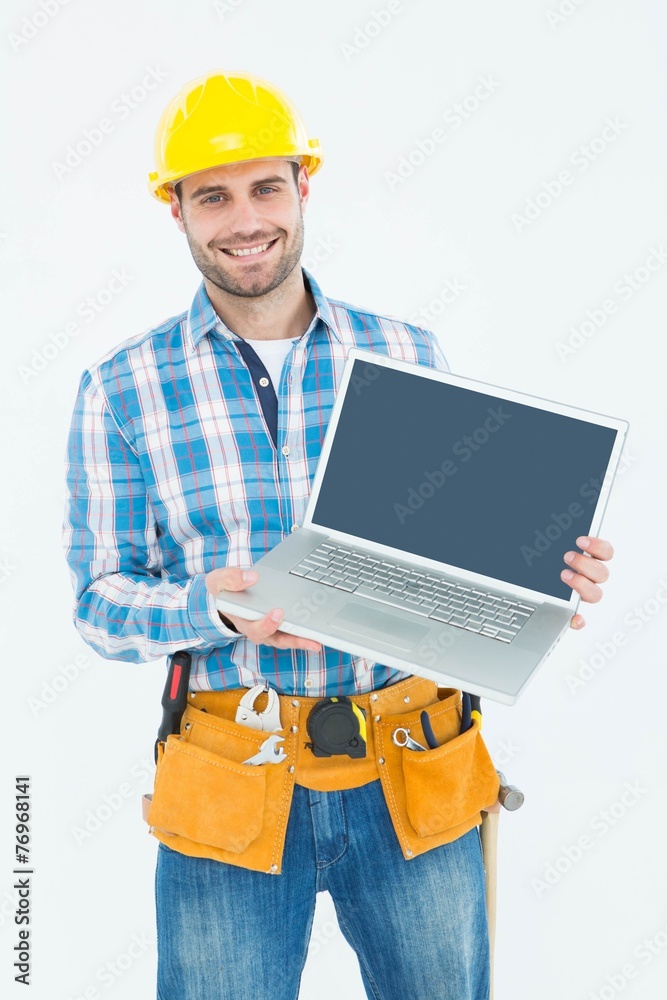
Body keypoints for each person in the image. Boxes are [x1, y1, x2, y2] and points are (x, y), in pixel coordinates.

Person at [63, 71, 614, 1000]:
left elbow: (455, 565)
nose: (245, 219)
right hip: (232, 774)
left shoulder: (404, 354)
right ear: (177, 211)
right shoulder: (124, 387)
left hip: (413, 766)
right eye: (214, 196)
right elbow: (99, 603)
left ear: (303, 186)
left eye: (265, 187)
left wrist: (541, 580)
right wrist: (218, 609)